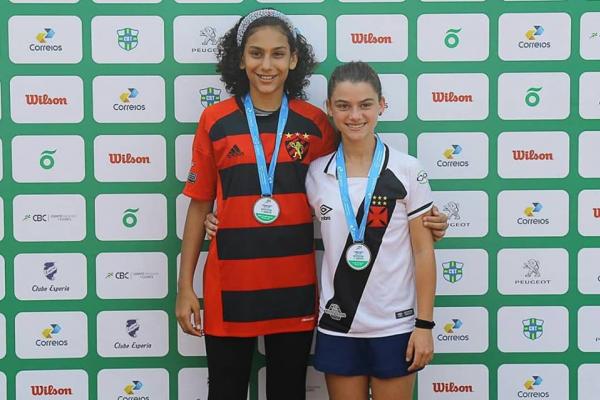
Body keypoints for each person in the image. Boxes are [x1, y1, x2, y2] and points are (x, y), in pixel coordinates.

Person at [176, 9, 447, 400]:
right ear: (240, 58)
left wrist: (427, 219)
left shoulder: (316, 123)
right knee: (225, 390)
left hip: (295, 289)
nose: (266, 65)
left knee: (288, 391)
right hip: (229, 286)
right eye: (255, 53)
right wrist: (185, 286)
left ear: (293, 59)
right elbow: (199, 206)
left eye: (277, 53)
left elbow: (356, 181)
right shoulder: (214, 120)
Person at [305, 61, 436, 400]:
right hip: (339, 322)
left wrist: (424, 325)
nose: (355, 116)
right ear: (329, 108)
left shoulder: (407, 169)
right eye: (343, 105)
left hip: (395, 326)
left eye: (365, 105)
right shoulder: (316, 172)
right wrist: (218, 220)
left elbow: (424, 251)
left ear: (382, 105)